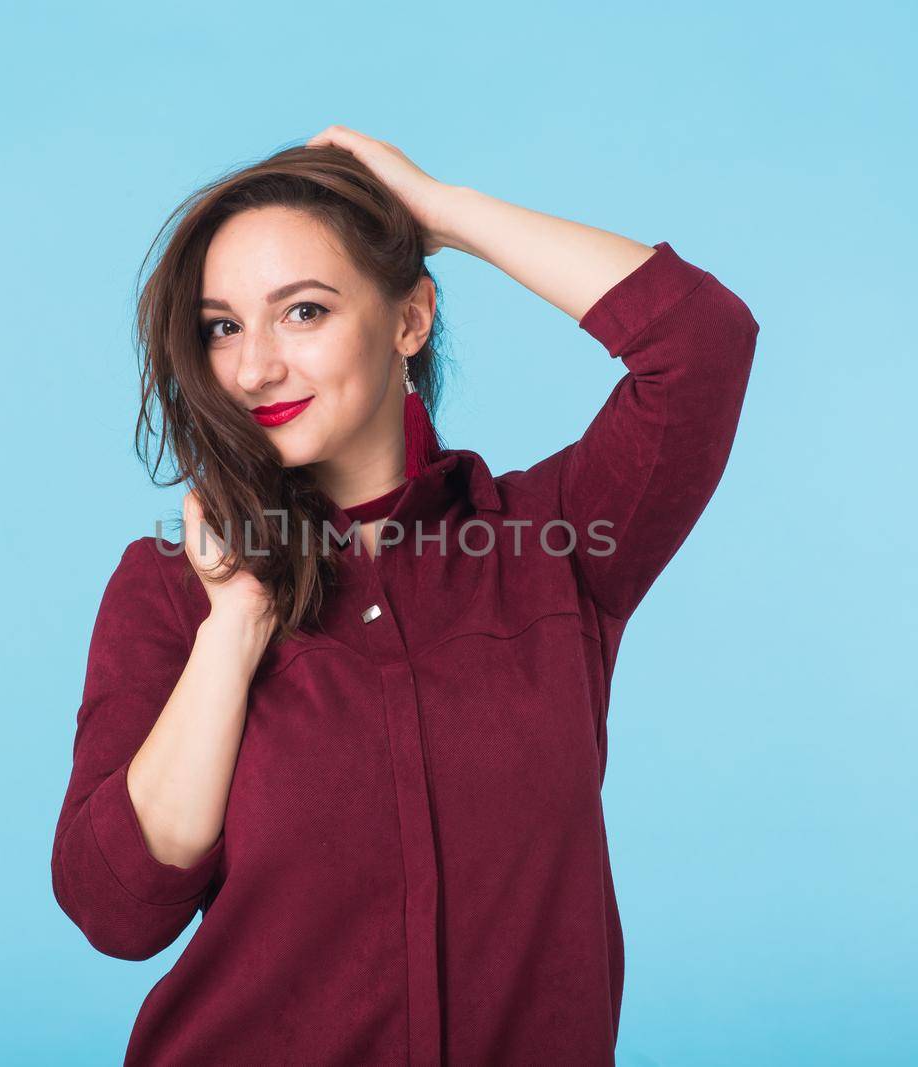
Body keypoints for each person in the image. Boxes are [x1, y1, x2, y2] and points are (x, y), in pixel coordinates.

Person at [50, 125, 760, 1065]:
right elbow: (117, 907)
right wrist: (238, 621)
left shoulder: (553, 543)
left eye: (303, 311)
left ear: (409, 319)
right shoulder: (172, 591)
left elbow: (702, 343)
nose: (255, 366)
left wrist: (439, 213)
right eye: (224, 326)